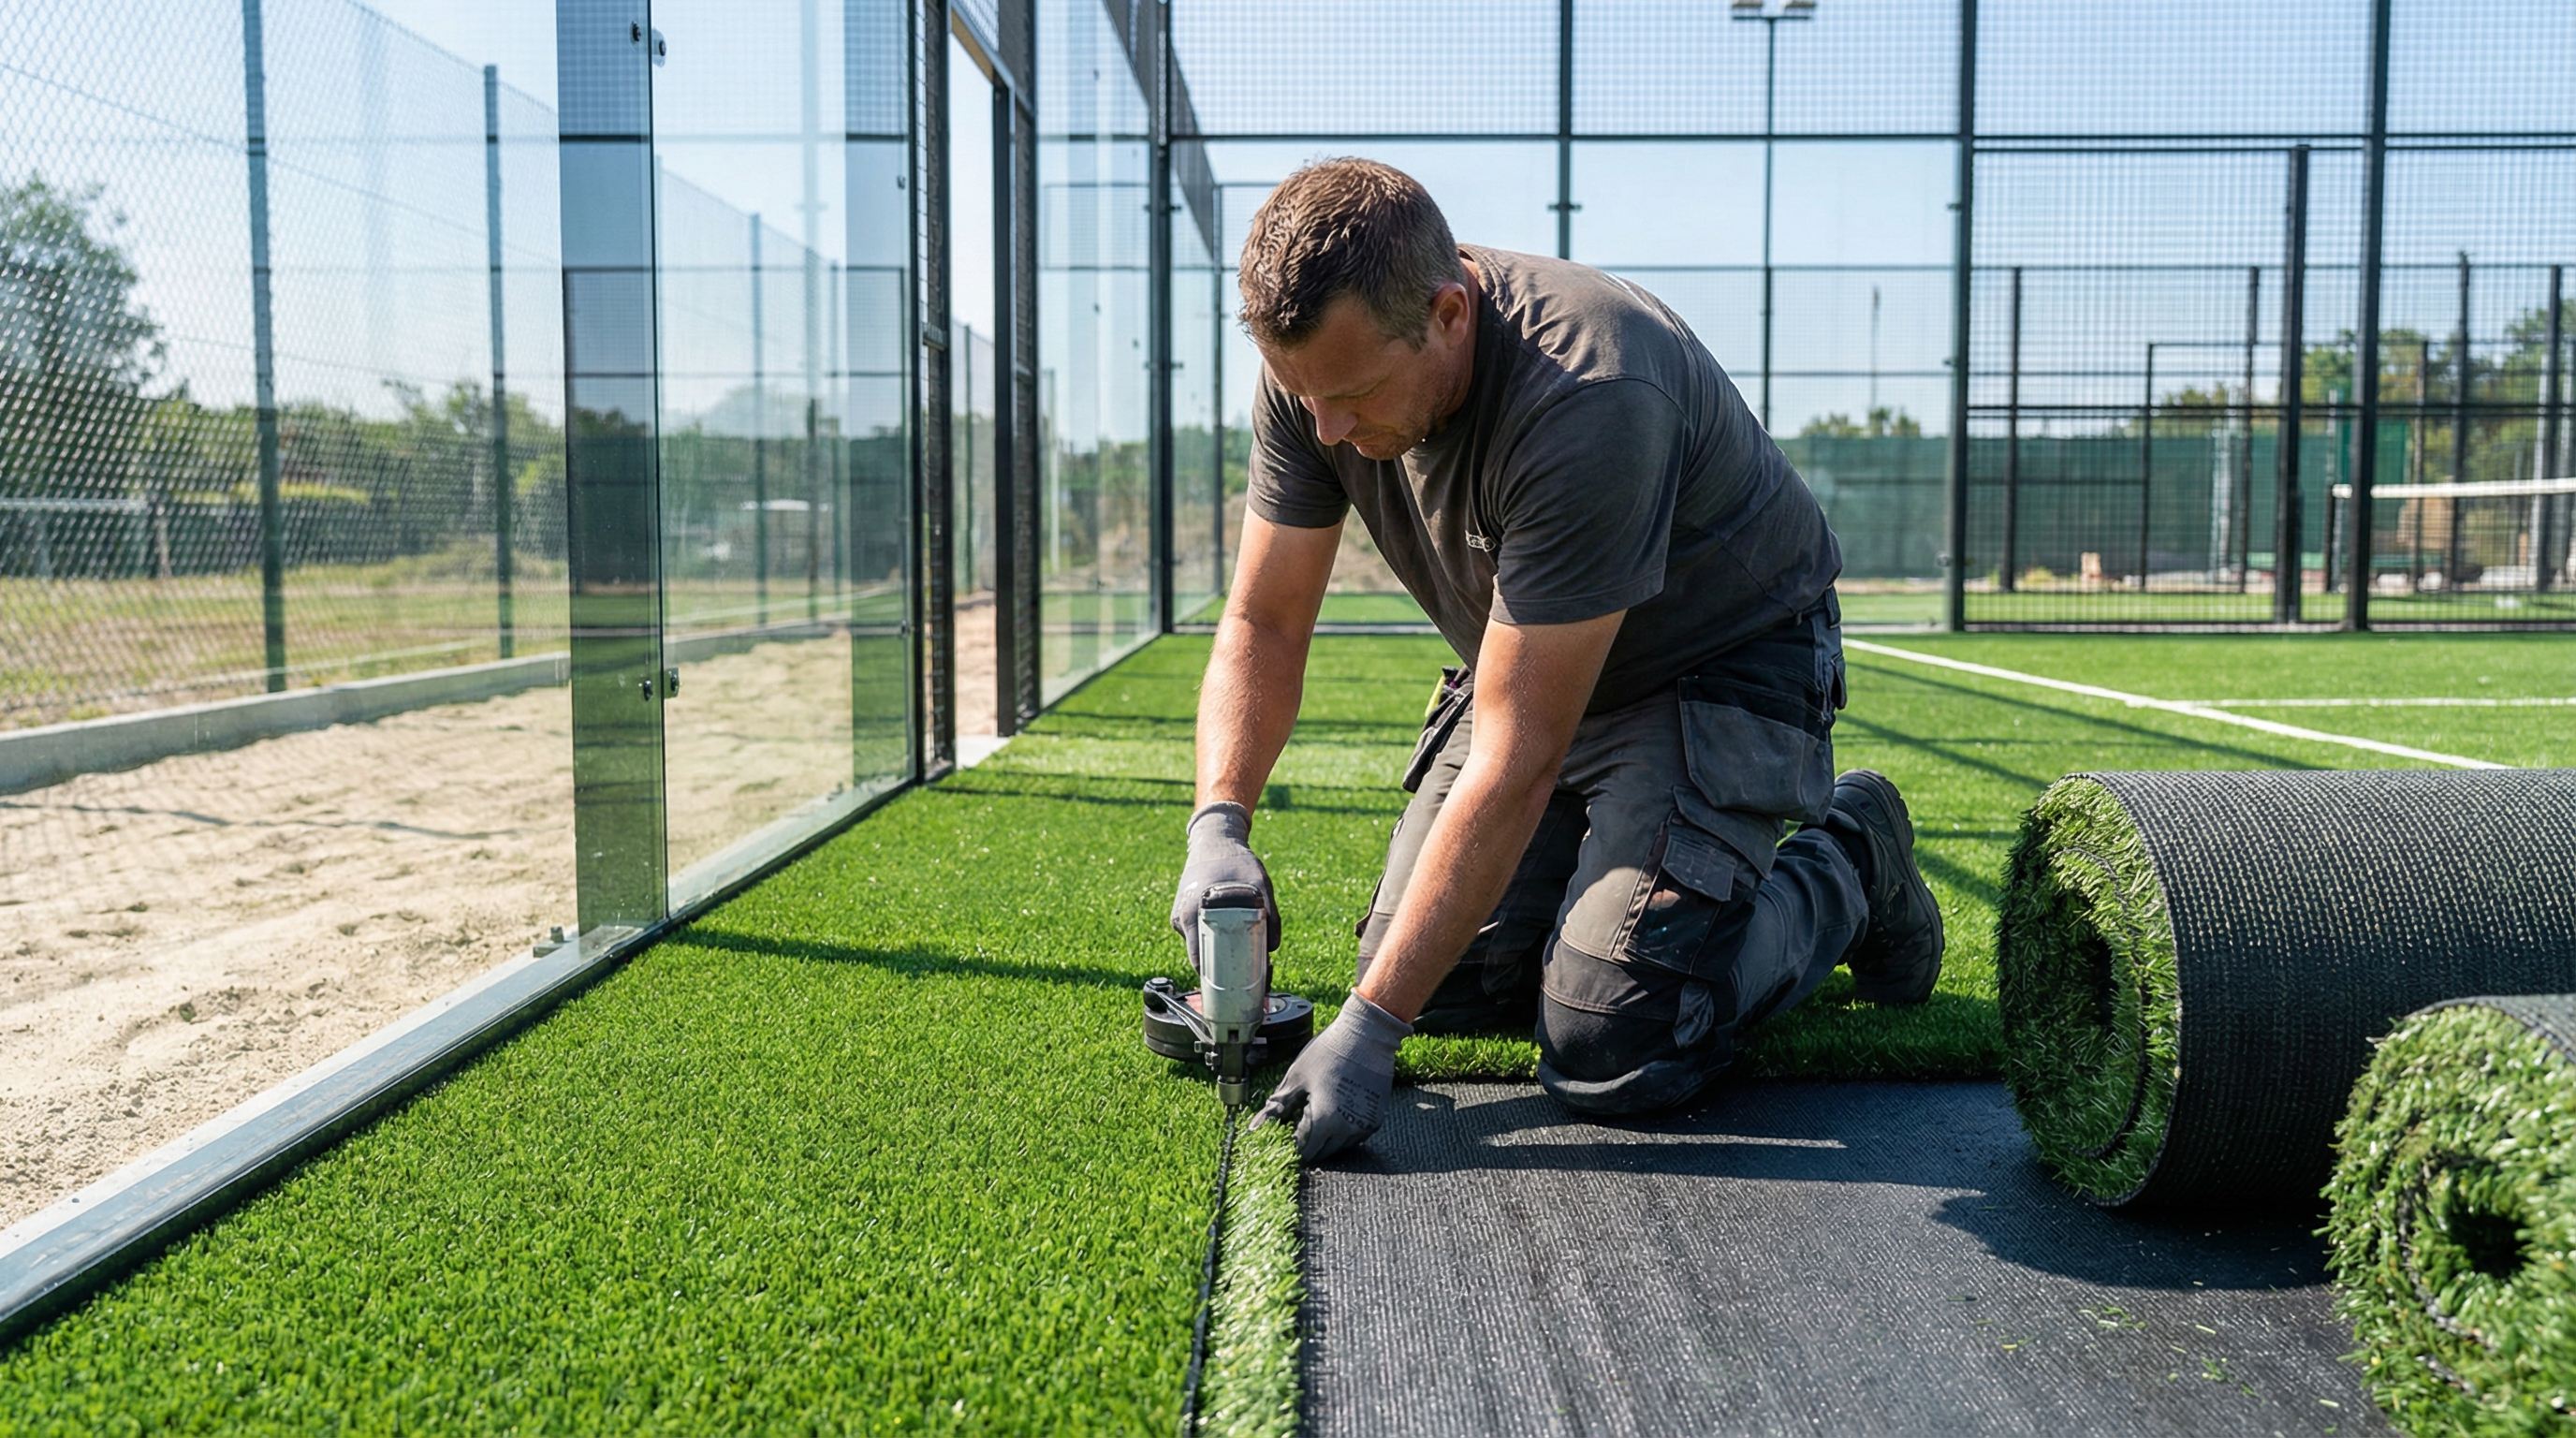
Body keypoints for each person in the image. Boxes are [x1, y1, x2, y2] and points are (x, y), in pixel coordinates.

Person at [1170, 158, 1943, 1164]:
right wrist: (1217, 823)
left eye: (1352, 396)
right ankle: (1614, 888)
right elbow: (1265, 621)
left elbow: (1519, 750)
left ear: (1449, 313)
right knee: (1441, 986)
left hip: (1712, 669)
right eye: (1301, 395)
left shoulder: (1590, 389)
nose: (1328, 431)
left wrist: (1366, 1028)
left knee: (1613, 1039)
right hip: (1536, 675)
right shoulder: (1319, 374)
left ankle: (1850, 856)